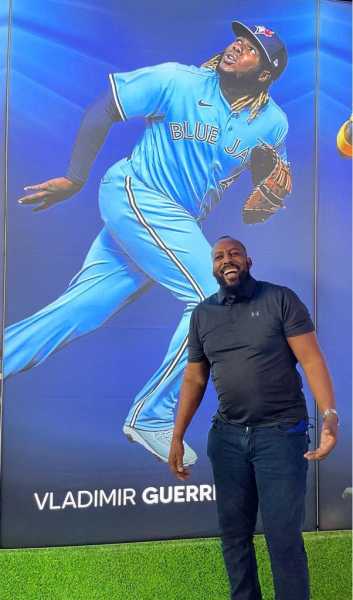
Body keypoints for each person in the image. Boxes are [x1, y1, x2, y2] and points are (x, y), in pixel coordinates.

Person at [4, 21, 291, 465]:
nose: (238, 45)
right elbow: (105, 108)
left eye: (253, 47)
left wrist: (267, 198)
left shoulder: (272, 124)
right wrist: (76, 177)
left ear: (265, 73)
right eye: (240, 38)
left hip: (170, 222)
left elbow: (258, 201)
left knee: (81, 308)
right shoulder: (178, 79)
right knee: (212, 298)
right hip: (137, 192)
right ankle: (152, 416)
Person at [168, 236, 338, 600]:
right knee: (234, 536)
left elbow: (311, 360)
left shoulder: (280, 299)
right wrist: (177, 435)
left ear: (248, 260)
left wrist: (329, 413)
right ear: (213, 267)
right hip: (228, 439)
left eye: (234, 254)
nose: (227, 260)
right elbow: (194, 377)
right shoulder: (203, 315)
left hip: (280, 436)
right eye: (219, 256)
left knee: (282, 536)